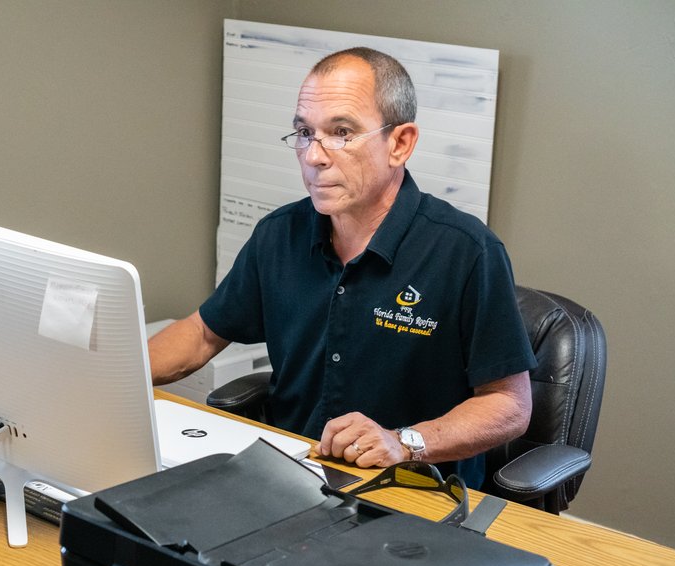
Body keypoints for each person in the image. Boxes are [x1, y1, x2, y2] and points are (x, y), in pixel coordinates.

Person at [149, 47, 535, 489]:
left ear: (400, 143)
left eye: (341, 132)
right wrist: (109, 375)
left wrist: (403, 442)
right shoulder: (279, 234)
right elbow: (201, 334)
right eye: (303, 132)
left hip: (413, 491)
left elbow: (509, 406)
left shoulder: (466, 251)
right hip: (287, 475)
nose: (314, 156)